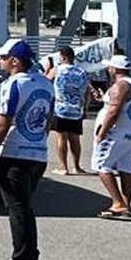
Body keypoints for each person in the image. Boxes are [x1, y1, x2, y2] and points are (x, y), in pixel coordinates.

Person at [0, 39, 53, 260]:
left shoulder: (12, 84)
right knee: (25, 206)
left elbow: (3, 122)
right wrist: (39, 139)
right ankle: (31, 258)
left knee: (17, 208)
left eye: (3, 57)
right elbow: (50, 118)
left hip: (14, 153)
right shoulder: (45, 83)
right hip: (37, 152)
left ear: (15, 61)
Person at [91, 55, 131, 218]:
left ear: (115, 69)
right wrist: (103, 99)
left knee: (101, 165)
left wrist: (102, 133)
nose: (108, 69)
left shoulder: (120, 86)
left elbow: (114, 111)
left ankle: (118, 203)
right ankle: (125, 204)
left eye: (110, 67)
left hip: (117, 133)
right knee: (126, 166)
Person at [47, 46, 89, 175]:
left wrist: (48, 70)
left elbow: (45, 82)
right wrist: (85, 107)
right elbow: (87, 91)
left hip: (61, 108)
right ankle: (77, 166)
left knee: (62, 137)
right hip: (76, 109)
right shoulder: (81, 72)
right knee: (75, 138)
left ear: (63, 57)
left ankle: (63, 167)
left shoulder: (57, 69)